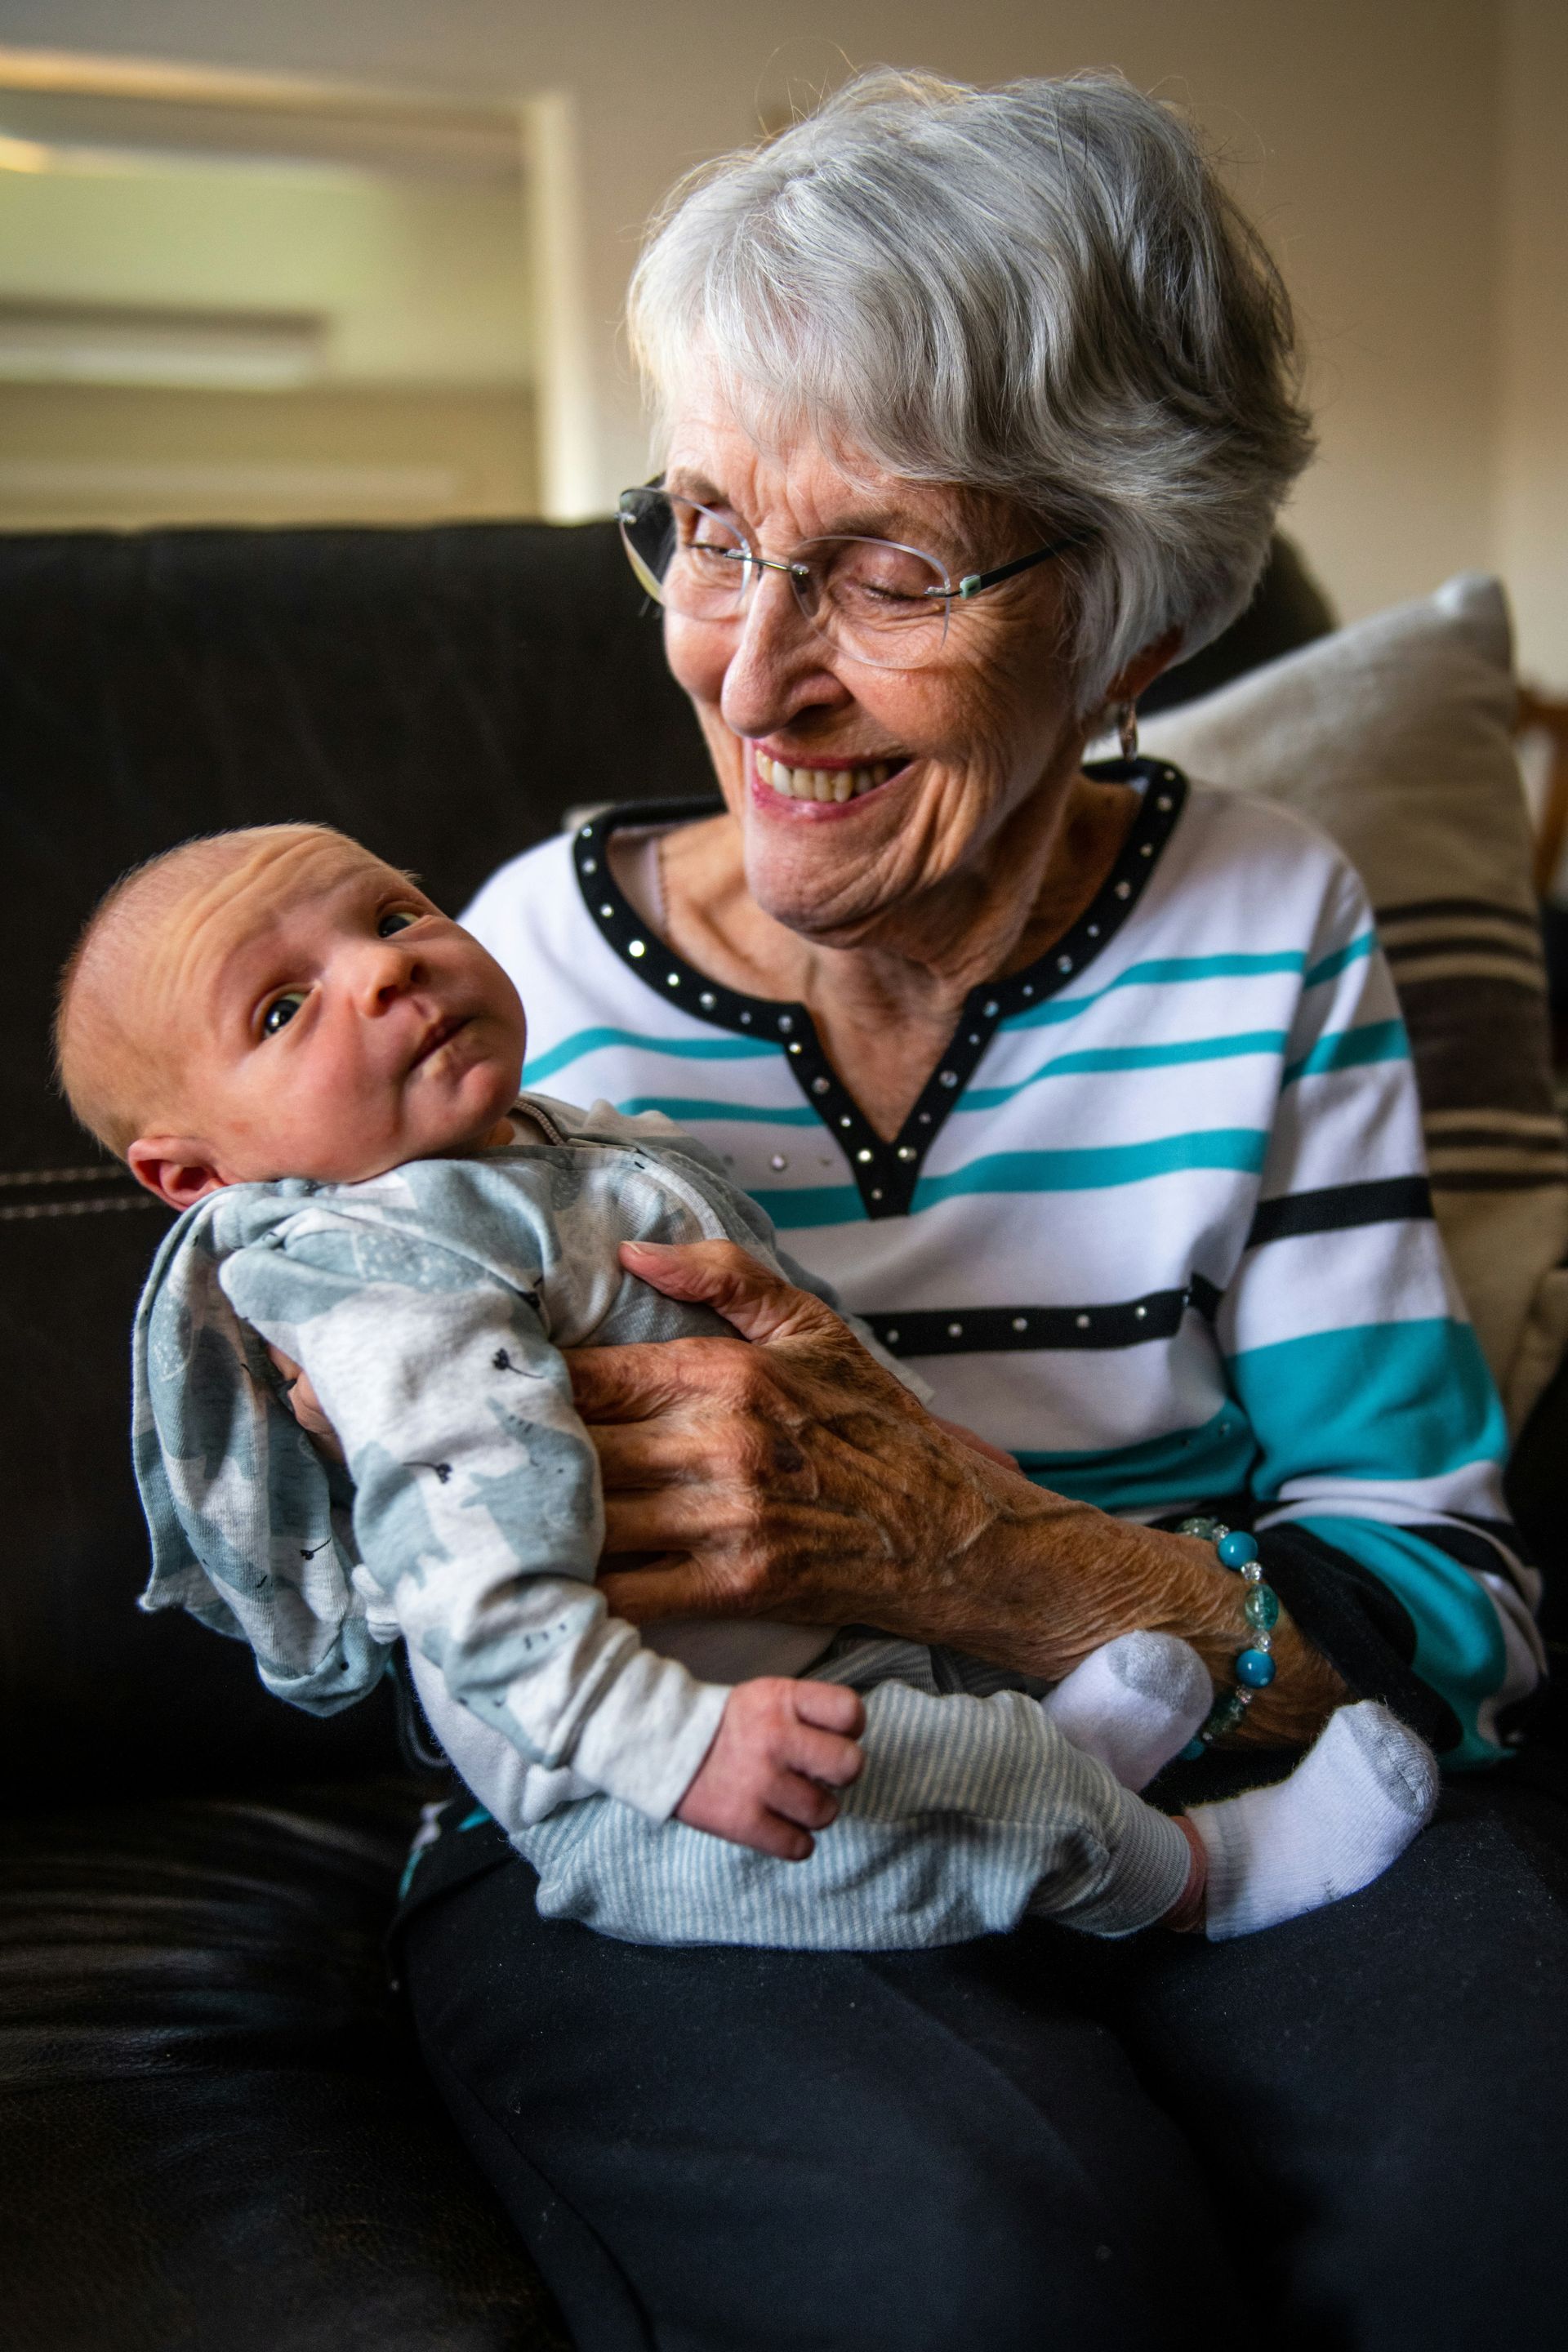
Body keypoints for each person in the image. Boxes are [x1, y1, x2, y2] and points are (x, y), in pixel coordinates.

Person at [375, 65, 1566, 2352]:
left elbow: (1447, 1595)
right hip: (702, 1794)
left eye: (887, 568)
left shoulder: (1263, 918)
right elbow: (449, 1613)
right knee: (987, 2268)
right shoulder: (513, 983)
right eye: (708, 529)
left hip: (1222, 1750)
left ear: (1124, 625)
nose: (748, 663)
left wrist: (979, 1558)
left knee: (1515, 2183)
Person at [56, 818, 1436, 1954]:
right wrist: (674, 1747)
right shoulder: (381, 1279)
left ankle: (1062, 1767)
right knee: (904, 1811)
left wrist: (950, 1465)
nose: (386, 973)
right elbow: (472, 1578)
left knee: (939, 1746)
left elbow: (793, 1334)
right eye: (285, 1007)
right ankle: (1188, 1877)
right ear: (196, 1177)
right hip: (654, 1795)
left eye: (396, 913)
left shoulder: (557, 1150)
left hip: (815, 1659)